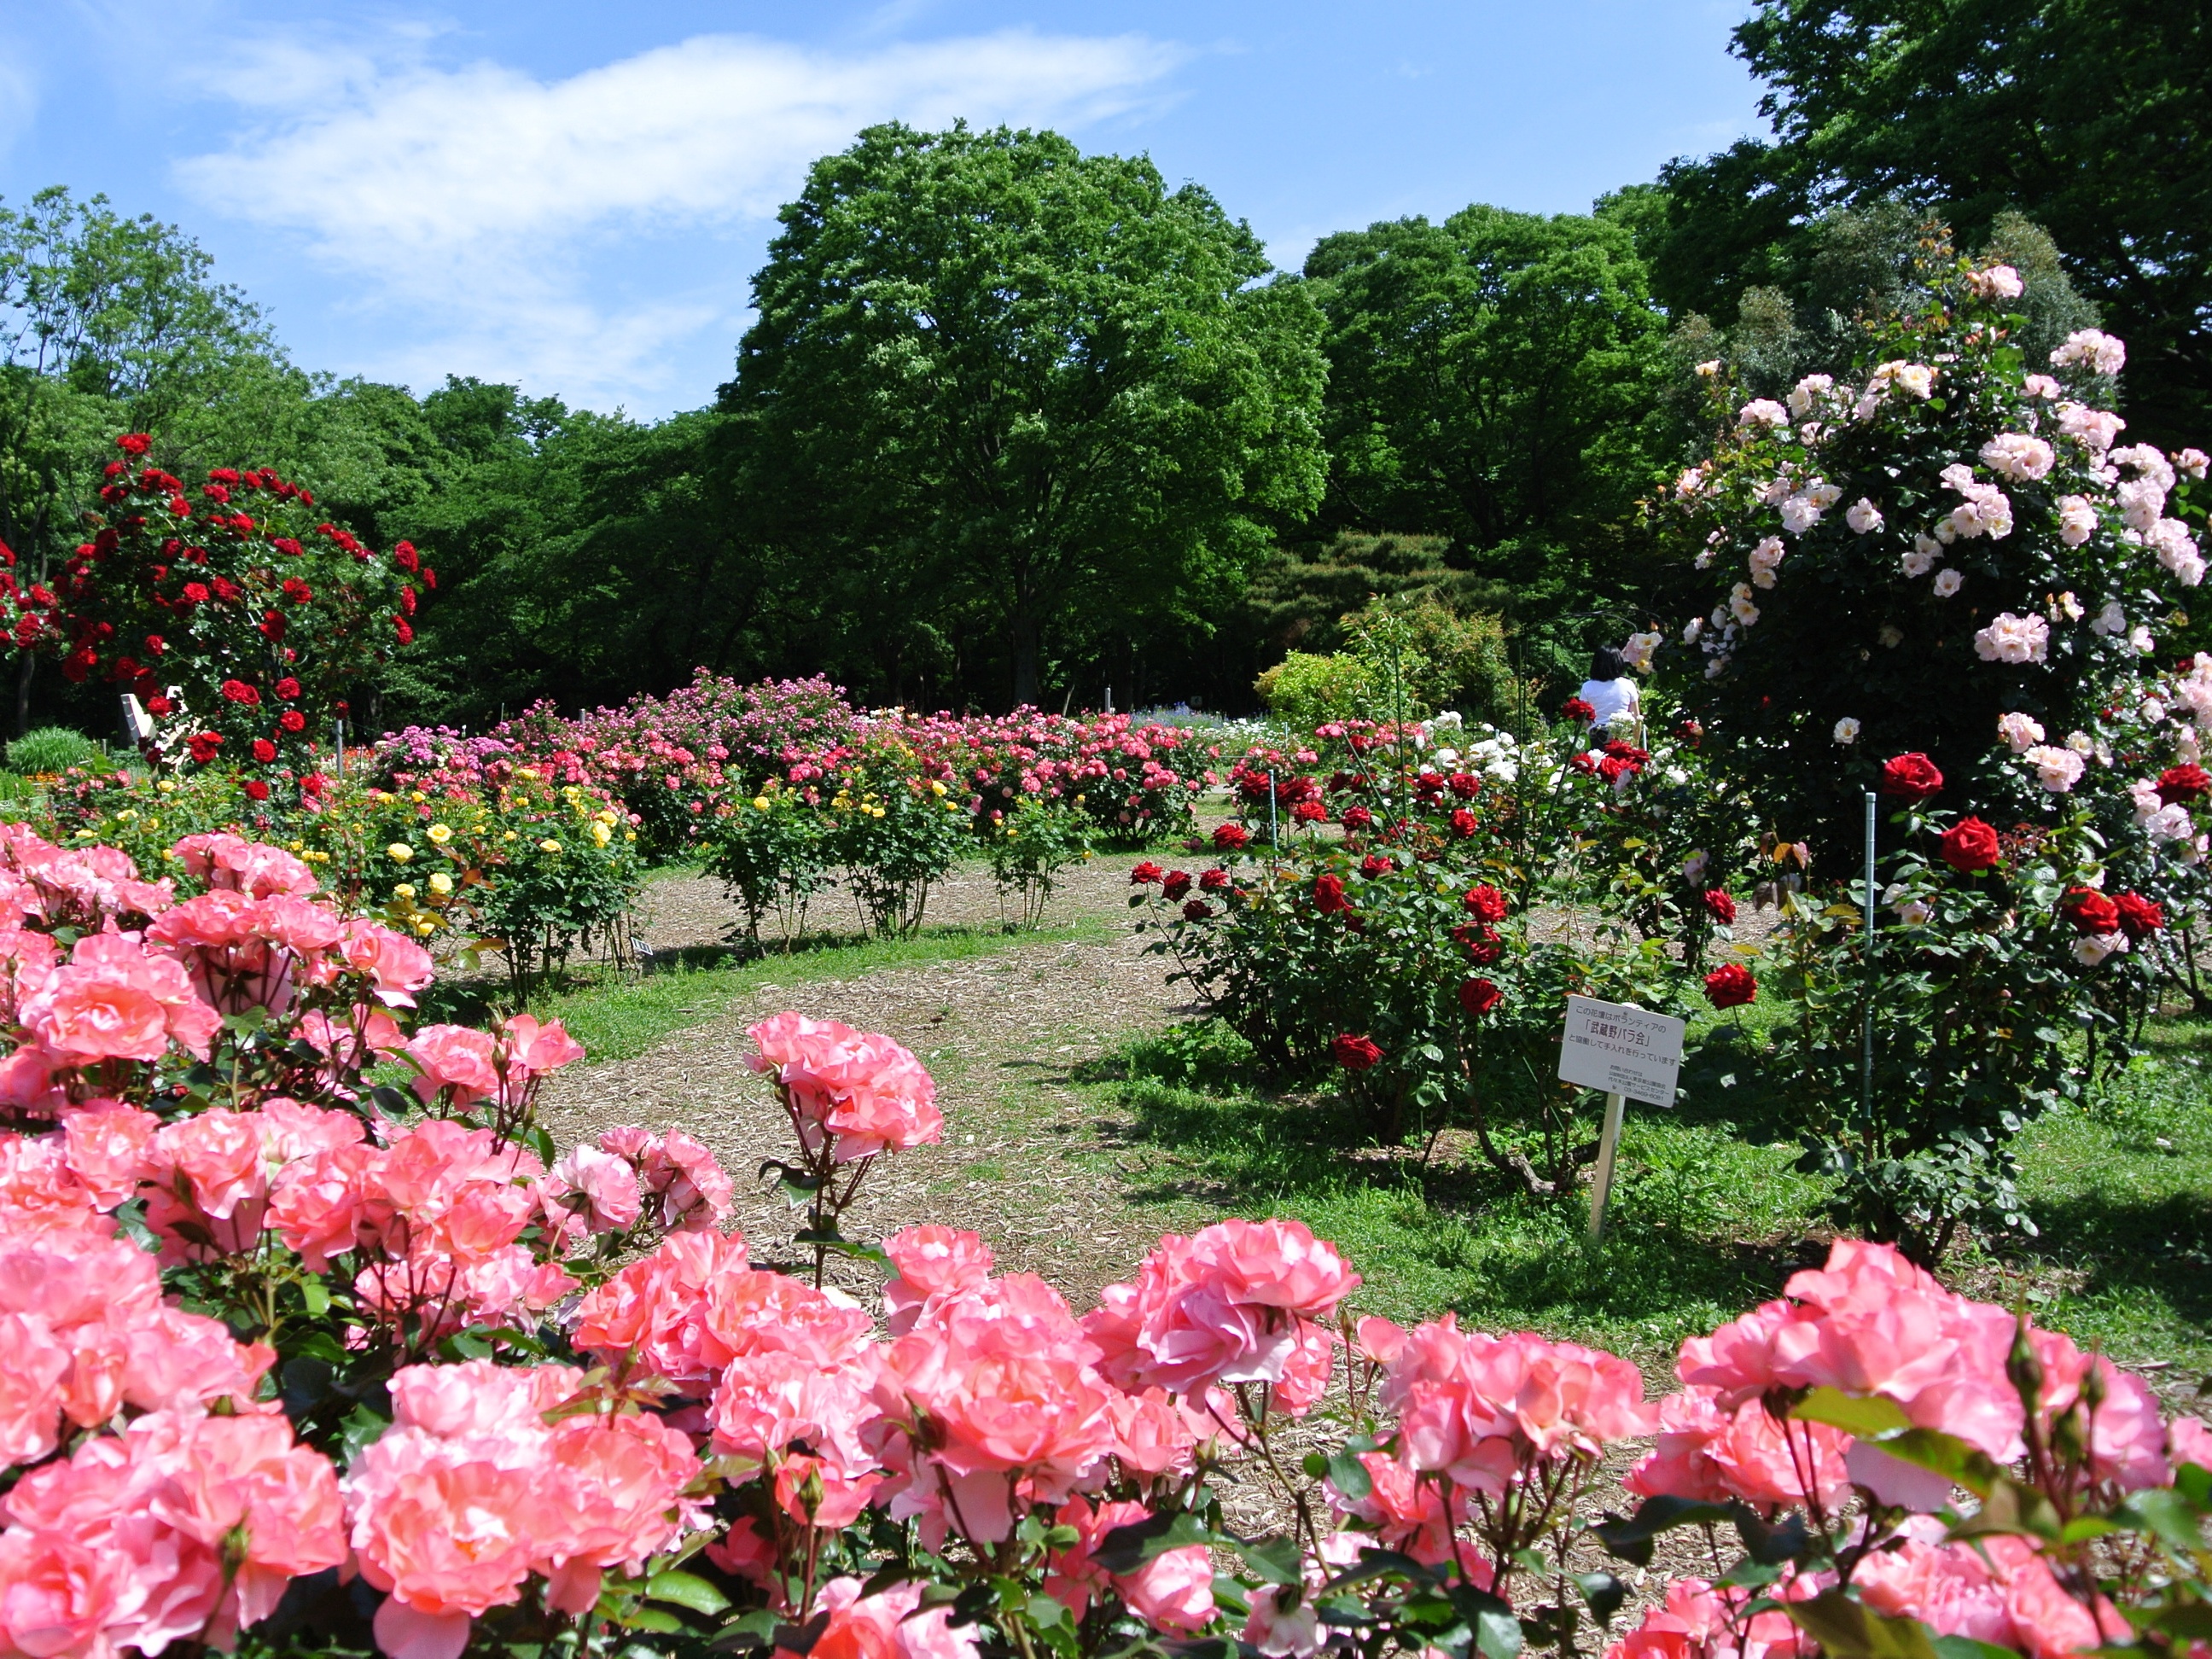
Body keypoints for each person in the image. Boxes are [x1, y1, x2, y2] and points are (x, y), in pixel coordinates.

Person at [1578, 647, 1641, 735]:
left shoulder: (1587, 686)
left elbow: (1583, 720)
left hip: (1596, 735)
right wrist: (1635, 744)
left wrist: (1590, 724)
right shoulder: (1628, 685)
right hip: (1621, 735)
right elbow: (1636, 718)